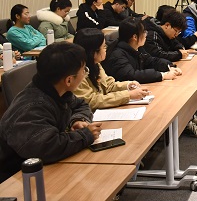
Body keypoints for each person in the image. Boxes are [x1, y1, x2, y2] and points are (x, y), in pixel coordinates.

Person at [0, 42, 102, 183]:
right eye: (83, 70)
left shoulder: (55, 89)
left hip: (43, 167)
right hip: (16, 178)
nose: (85, 73)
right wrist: (85, 135)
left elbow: (81, 105)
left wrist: (78, 120)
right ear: (69, 80)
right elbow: (47, 147)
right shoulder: (32, 107)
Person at [73, 28, 149, 110]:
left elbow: (108, 85)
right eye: (103, 46)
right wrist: (128, 95)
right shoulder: (77, 73)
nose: (106, 48)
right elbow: (91, 101)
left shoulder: (96, 64)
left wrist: (128, 85)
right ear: (93, 52)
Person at [103, 18, 180, 84]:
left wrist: (169, 66)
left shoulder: (137, 48)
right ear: (135, 37)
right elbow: (132, 75)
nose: (146, 34)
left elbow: (151, 61)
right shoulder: (117, 54)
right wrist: (162, 75)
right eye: (144, 32)